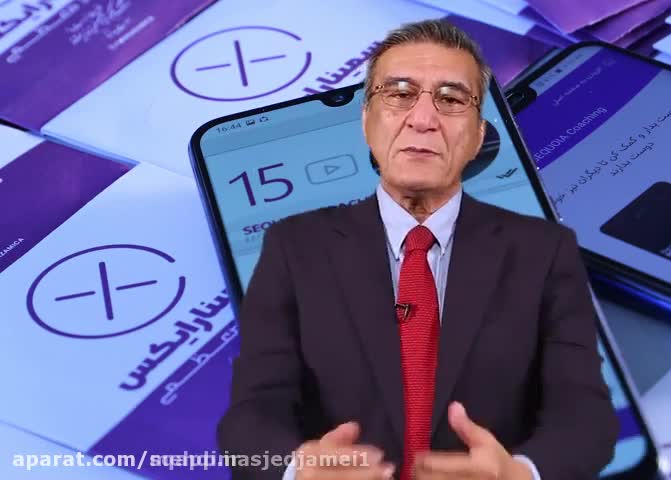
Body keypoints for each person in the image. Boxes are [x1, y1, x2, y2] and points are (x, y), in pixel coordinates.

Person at [218, 19, 619, 480]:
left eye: (451, 100)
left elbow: (586, 417)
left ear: (477, 136)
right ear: (366, 122)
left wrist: (521, 472)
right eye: (400, 94)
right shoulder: (295, 245)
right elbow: (249, 418)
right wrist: (295, 468)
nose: (423, 119)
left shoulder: (544, 249)